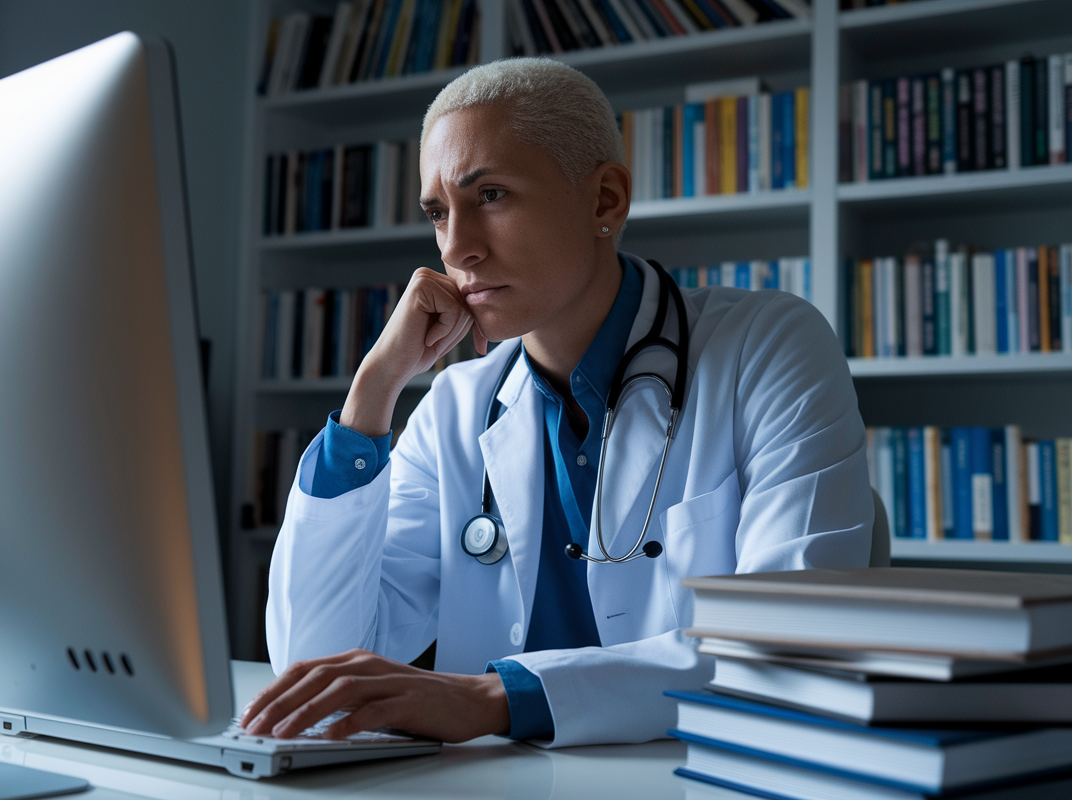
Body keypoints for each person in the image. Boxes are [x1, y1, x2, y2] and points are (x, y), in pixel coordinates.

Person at [240, 58, 873, 748]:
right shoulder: (456, 406)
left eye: (492, 196)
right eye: (437, 212)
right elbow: (314, 669)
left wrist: (497, 700)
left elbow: (787, 648)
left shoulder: (770, 347)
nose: (458, 249)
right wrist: (371, 394)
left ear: (605, 200)